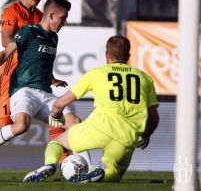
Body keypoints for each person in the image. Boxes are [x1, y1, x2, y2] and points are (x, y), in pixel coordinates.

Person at [0, 0, 81, 179]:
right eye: (63, 17)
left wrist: (52, 79)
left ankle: (84, 167)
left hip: (45, 95)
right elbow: (5, 53)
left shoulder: (54, 38)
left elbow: (40, 63)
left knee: (74, 123)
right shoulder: (29, 31)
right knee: (21, 126)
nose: (65, 22)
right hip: (23, 91)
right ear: (51, 15)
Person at [23, 35, 160, 183]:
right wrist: (146, 135)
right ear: (128, 56)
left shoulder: (97, 73)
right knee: (114, 173)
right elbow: (154, 118)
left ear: (107, 54)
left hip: (99, 127)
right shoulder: (145, 79)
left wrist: (55, 117)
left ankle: (49, 165)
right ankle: (98, 175)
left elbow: (59, 103)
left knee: (56, 143)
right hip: (126, 136)